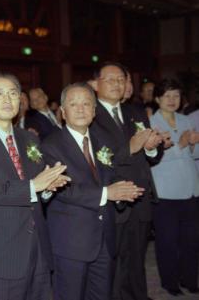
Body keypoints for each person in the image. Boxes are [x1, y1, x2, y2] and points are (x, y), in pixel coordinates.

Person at [0, 73, 69, 300]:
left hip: (37, 248)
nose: (7, 99)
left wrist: (48, 187)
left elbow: (37, 189)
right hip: (0, 253)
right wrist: (33, 186)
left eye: (13, 93)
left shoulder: (29, 139)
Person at [42, 83, 144, 300]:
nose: (81, 109)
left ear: (95, 111)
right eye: (73, 104)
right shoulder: (51, 145)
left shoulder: (101, 142)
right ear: (62, 111)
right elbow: (64, 189)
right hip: (71, 241)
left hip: (104, 238)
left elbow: (111, 175)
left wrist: (124, 191)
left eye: (87, 103)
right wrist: (108, 193)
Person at [90, 62, 163, 300]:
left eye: (121, 79)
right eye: (110, 79)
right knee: (114, 260)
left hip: (140, 196)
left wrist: (151, 148)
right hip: (114, 198)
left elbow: (153, 156)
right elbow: (98, 160)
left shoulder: (136, 112)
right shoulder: (89, 115)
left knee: (137, 257)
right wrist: (130, 149)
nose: (117, 84)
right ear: (96, 84)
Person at [149, 79, 199, 296]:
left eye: (176, 96)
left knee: (191, 240)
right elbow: (153, 159)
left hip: (191, 189)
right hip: (166, 191)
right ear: (158, 98)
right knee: (167, 241)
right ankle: (169, 281)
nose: (172, 100)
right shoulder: (151, 124)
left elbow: (193, 155)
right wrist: (181, 145)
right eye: (167, 96)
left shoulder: (186, 119)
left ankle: (190, 279)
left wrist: (194, 144)